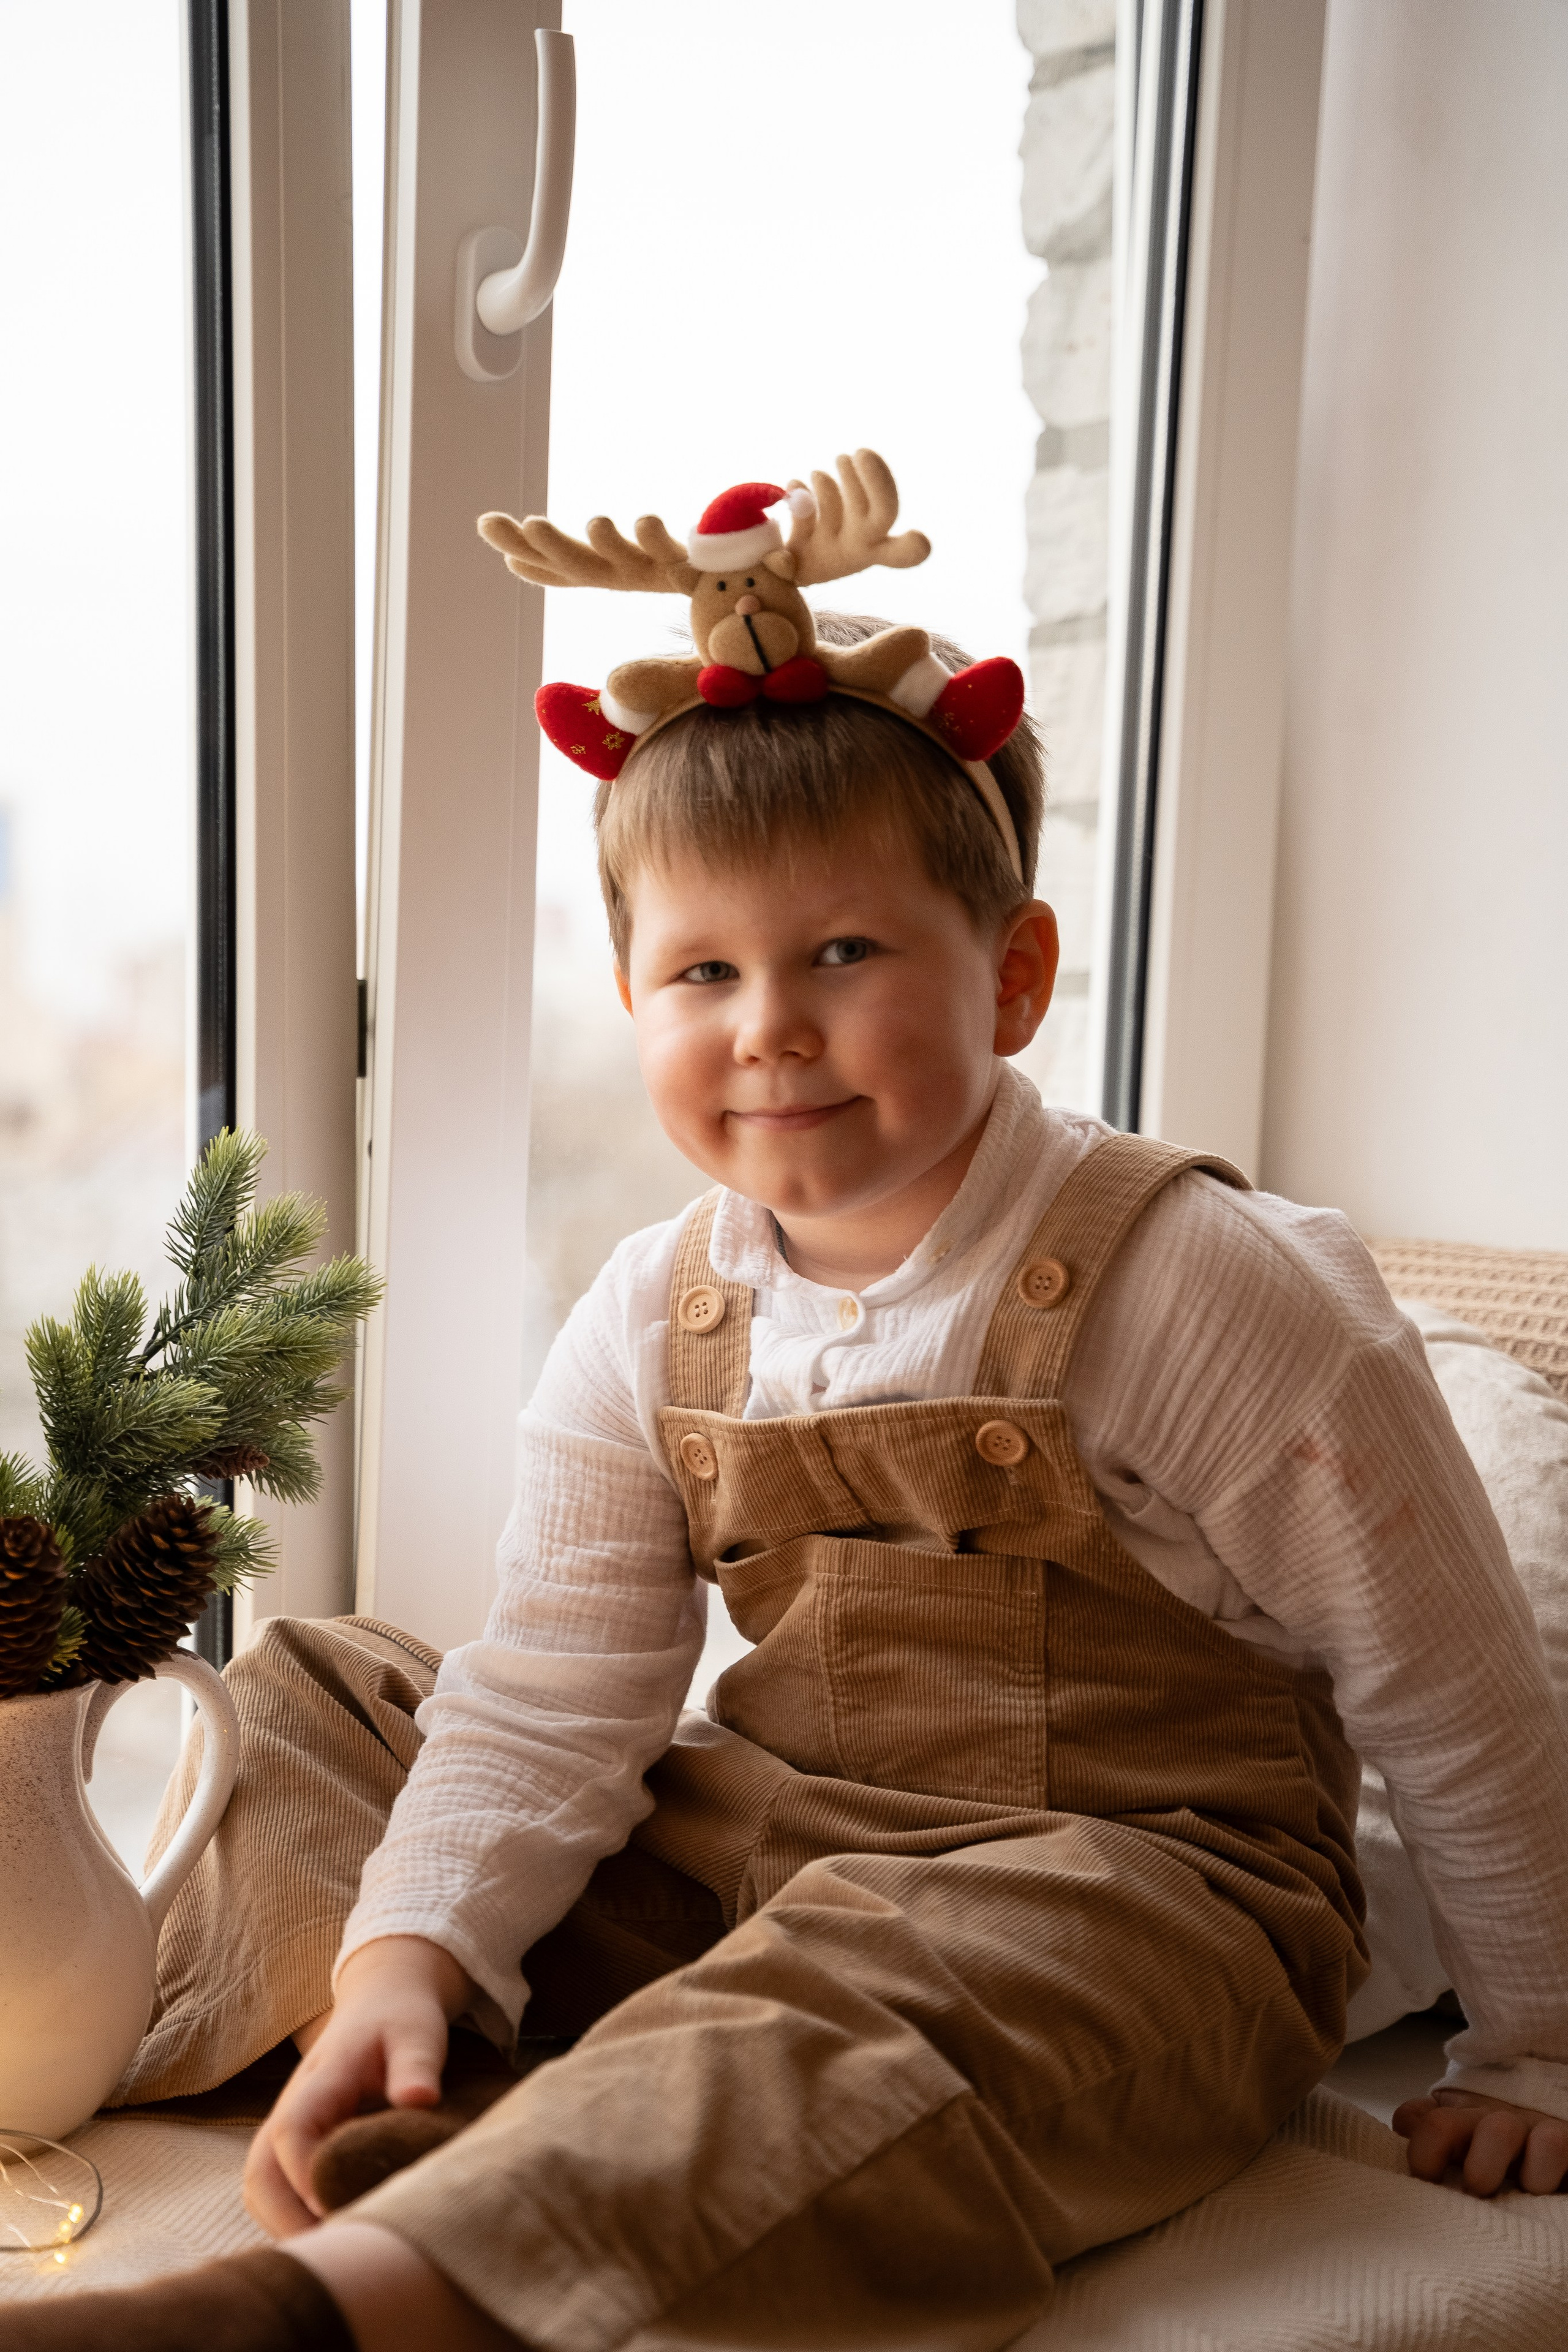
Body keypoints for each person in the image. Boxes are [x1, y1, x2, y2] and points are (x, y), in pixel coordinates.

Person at [12, 592, 1568, 2352]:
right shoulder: (657, 1309)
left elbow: (1456, 1688)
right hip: (790, 1832)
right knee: (325, 1695)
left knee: (852, 2009)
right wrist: (408, 1950)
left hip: (1130, 1893)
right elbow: (549, 1702)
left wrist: (1536, 2050)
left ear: (1019, 975)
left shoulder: (1197, 1283)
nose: (767, 1025)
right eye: (704, 972)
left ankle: (332, 2308)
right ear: (631, 996)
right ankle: (408, 2062)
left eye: (843, 955)